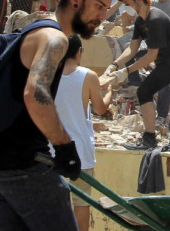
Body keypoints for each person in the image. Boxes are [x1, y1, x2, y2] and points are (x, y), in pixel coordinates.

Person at [0, 0, 118, 230]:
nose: (103, 15)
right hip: (26, 167)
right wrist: (65, 146)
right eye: (99, 5)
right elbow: (35, 93)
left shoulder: (35, 30)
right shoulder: (55, 39)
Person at [103, 0, 170, 158]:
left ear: (139, 0)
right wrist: (114, 65)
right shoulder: (141, 20)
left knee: (144, 92)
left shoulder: (155, 19)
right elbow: (132, 48)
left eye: (127, 2)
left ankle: (149, 138)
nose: (126, 7)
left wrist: (126, 71)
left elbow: (151, 56)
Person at [55, 35, 113, 231]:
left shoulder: (49, 75)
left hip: (53, 150)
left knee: (54, 203)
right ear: (79, 51)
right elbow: (100, 108)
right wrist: (110, 92)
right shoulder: (88, 76)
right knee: (81, 203)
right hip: (79, 151)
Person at [151, 0, 170, 125]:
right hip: (152, 46)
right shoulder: (152, 3)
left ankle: (162, 114)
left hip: (167, 48)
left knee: (164, 83)